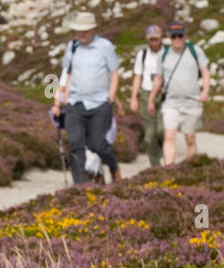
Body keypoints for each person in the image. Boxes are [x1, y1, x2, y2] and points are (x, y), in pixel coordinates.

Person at [51, 11, 122, 184]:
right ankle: (80, 186)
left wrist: (111, 97)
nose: (81, 34)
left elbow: (114, 73)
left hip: (99, 104)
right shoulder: (72, 47)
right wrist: (58, 101)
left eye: (85, 30)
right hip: (75, 103)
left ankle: (113, 167)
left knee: (97, 144)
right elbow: (66, 74)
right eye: (78, 30)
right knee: (75, 144)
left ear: (93, 29)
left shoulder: (105, 46)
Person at [148, 20, 211, 164]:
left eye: (180, 36)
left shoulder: (196, 51)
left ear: (185, 36)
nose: (177, 39)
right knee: (169, 137)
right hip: (171, 103)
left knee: (190, 138)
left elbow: (205, 72)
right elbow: (158, 79)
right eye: (174, 36)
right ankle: (170, 171)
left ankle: (190, 168)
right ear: (169, 37)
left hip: (192, 102)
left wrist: (205, 91)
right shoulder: (163, 56)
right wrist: (151, 99)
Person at [129, 24, 165, 166]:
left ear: (161, 39)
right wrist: (134, 98)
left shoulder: (167, 53)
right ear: (147, 40)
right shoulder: (142, 55)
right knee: (149, 136)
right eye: (151, 40)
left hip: (163, 96)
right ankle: (155, 165)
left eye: (157, 39)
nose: (154, 43)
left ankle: (164, 154)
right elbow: (137, 76)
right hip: (145, 94)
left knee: (162, 130)